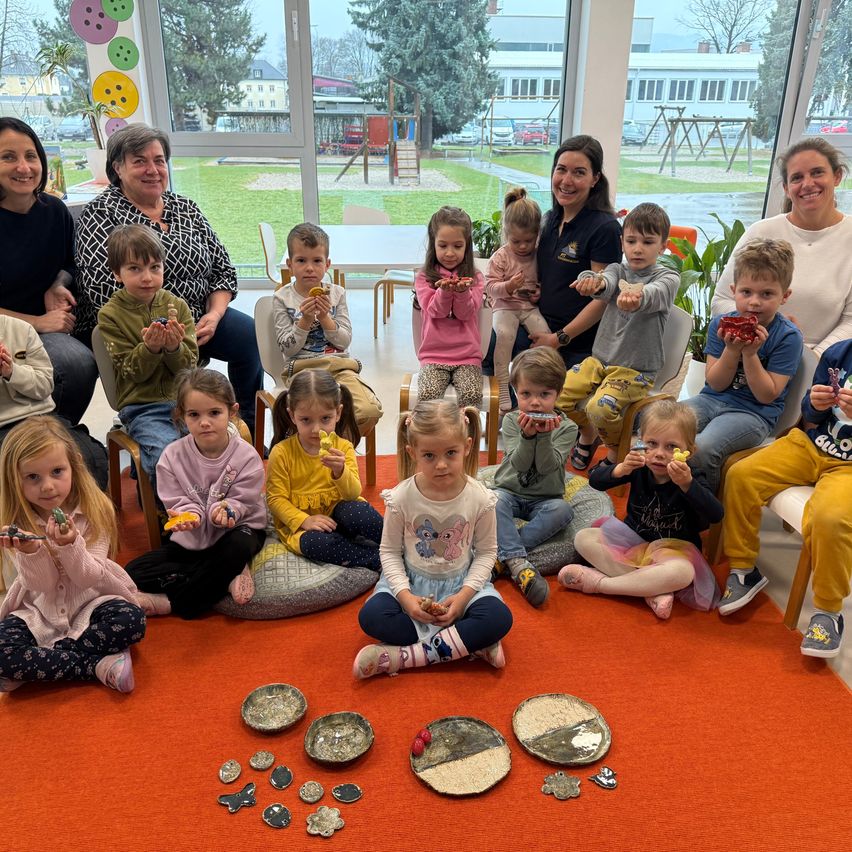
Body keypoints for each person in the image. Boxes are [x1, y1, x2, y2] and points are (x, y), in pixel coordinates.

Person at [74, 123, 263, 435]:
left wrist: (214, 315)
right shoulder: (100, 214)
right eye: (140, 161)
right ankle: (165, 428)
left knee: (249, 337)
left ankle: (247, 431)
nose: (153, 169)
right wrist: (171, 326)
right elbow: (102, 288)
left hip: (201, 318)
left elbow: (223, 269)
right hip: (139, 326)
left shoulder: (184, 206)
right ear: (117, 167)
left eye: (159, 160)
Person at [353, 399, 512, 679]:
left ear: (468, 446)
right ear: (411, 452)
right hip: (411, 583)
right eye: (429, 456)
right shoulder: (400, 497)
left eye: (451, 453)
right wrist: (406, 599)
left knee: (499, 618)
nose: (441, 465)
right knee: (371, 616)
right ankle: (469, 646)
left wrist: (463, 599)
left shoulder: (480, 498)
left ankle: (402, 657)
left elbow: (487, 553)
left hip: (461, 585)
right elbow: (389, 552)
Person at [718, 339, 852, 658]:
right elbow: (809, 413)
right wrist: (816, 405)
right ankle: (743, 569)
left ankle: (828, 613)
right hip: (808, 445)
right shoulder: (840, 352)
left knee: (830, 518)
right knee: (741, 475)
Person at [0, 417, 146, 693]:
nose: (47, 486)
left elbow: (88, 576)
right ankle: (97, 665)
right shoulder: (18, 520)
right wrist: (31, 552)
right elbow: (39, 586)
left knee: (131, 621)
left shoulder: (95, 508)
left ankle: (44, 665)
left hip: (91, 603)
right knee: (2, 650)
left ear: (74, 465)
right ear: (14, 480)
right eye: (33, 477)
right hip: (39, 612)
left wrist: (70, 545)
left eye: (57, 471)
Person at [558, 399, 722, 619]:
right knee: (583, 537)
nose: (659, 453)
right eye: (652, 444)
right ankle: (650, 590)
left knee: (683, 573)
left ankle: (601, 584)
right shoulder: (638, 468)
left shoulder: (691, 476)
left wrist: (687, 484)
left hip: (674, 550)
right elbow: (595, 481)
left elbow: (715, 514)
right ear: (640, 441)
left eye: (671, 447)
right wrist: (621, 469)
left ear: (689, 451)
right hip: (631, 541)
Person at [124, 369, 266, 619]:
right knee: (134, 572)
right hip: (195, 536)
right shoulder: (171, 456)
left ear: (232, 412)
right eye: (194, 414)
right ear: (181, 415)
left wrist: (226, 511)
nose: (204, 422)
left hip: (237, 530)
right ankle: (226, 574)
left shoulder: (246, 456)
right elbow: (177, 500)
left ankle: (174, 603)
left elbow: (244, 500)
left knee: (237, 545)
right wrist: (190, 515)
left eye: (214, 413)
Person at [557, 202, 679, 470]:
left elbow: (655, 293)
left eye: (648, 242)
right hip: (599, 361)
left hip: (636, 370)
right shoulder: (617, 269)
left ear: (662, 246)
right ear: (622, 241)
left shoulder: (668, 277)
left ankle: (614, 450)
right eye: (631, 240)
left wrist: (638, 296)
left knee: (599, 408)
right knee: (558, 393)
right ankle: (588, 434)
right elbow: (604, 280)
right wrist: (592, 280)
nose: (637, 248)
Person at [683, 238, 803, 492]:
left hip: (753, 413)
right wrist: (731, 350)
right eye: (746, 292)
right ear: (734, 289)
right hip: (710, 399)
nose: (754, 302)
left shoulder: (788, 337)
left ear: (785, 296)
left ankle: (707, 511)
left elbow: (767, 395)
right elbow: (715, 383)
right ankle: (668, 493)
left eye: (767, 294)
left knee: (703, 449)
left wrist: (750, 355)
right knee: (661, 423)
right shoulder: (720, 325)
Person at [712, 138, 852, 355]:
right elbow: (722, 301)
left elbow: (850, 322)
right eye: (797, 177)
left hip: (822, 362)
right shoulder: (761, 233)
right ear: (787, 188)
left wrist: (810, 358)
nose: (807, 184)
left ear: (837, 176)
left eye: (817, 173)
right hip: (754, 356)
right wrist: (771, 326)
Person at [0, 117, 98, 424]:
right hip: (9, 330)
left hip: (48, 326)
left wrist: (58, 284)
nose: (24, 167)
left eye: (31, 156)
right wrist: (38, 322)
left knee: (78, 363)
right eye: (8, 157)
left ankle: (58, 439)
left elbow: (70, 262)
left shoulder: (54, 210)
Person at [497, 135, 622, 371]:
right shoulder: (549, 219)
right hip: (537, 326)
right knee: (487, 349)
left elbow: (602, 301)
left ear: (595, 179)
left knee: (537, 396)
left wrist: (558, 339)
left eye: (579, 173)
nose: (566, 180)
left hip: (576, 345)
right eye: (561, 169)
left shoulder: (604, 228)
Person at [97, 224, 198, 490]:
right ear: (117, 274)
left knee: (216, 444)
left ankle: (212, 506)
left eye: (155, 267)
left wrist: (175, 348)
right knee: (168, 456)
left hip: (185, 400)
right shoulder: (110, 315)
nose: (147, 277)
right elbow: (132, 372)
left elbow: (189, 368)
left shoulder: (178, 306)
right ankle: (166, 515)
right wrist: (150, 349)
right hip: (143, 407)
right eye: (135, 269)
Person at [266, 369, 383, 570]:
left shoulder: (343, 447)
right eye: (306, 420)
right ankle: (377, 559)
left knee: (364, 515)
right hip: (304, 527)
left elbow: (353, 493)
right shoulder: (281, 453)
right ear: (292, 415)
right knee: (316, 544)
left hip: (339, 513)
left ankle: (397, 545)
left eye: (325, 419)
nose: (316, 429)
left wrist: (340, 472)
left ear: (338, 413)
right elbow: (275, 500)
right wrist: (305, 520)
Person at [273, 222, 383, 434]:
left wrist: (324, 317)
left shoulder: (337, 293)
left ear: (327, 263)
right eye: (301, 260)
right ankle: (319, 455)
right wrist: (305, 321)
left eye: (317, 261)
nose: (309, 268)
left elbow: (344, 341)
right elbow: (287, 349)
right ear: (290, 264)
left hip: (340, 366)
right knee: (311, 417)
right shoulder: (282, 298)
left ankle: (340, 452)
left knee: (368, 411)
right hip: (302, 369)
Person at [492, 348, 577, 608]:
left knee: (563, 511)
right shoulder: (510, 420)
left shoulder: (568, 427)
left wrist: (543, 436)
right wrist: (528, 436)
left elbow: (547, 466)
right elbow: (518, 464)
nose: (535, 402)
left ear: (558, 394)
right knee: (491, 500)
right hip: (509, 490)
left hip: (546, 497)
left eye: (544, 394)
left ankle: (504, 558)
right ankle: (518, 564)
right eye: (526, 394)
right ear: (516, 391)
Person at [0, 313, 108, 488]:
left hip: (40, 416)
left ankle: (84, 513)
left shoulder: (19, 328)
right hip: (3, 426)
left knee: (90, 457)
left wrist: (12, 372)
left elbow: (44, 386)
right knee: (15, 473)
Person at [486, 187, 552, 413]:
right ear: (506, 234)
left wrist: (537, 293)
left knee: (544, 335)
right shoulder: (502, 256)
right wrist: (508, 286)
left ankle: (540, 388)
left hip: (528, 307)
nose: (523, 246)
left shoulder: (537, 254)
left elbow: (541, 281)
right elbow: (490, 287)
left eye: (529, 240)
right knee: (503, 337)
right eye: (516, 241)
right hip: (504, 308)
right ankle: (503, 385)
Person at [414, 206, 485, 409]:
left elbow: (466, 314)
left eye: (457, 246)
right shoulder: (424, 277)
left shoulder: (476, 278)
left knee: (471, 395)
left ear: (467, 246)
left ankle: (466, 440)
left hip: (467, 357)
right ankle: (432, 440)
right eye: (443, 245)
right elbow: (435, 311)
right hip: (433, 356)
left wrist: (462, 292)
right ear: (433, 244)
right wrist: (444, 291)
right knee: (428, 397)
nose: (450, 253)